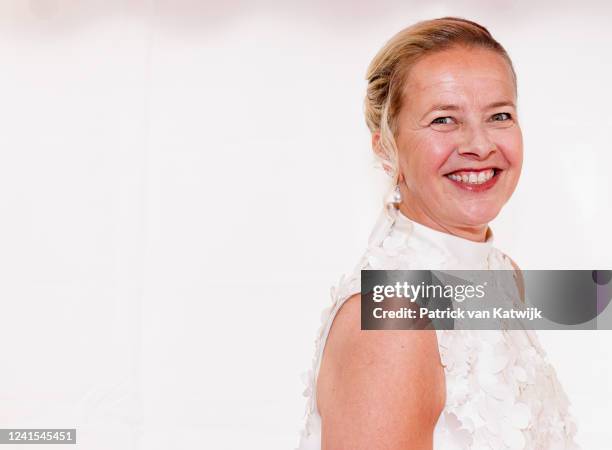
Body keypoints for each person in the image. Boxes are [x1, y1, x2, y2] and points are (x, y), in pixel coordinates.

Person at [296, 17, 580, 450]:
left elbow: (582, 301)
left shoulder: (502, 273)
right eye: (444, 120)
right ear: (386, 149)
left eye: (499, 115)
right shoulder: (393, 321)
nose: (480, 145)